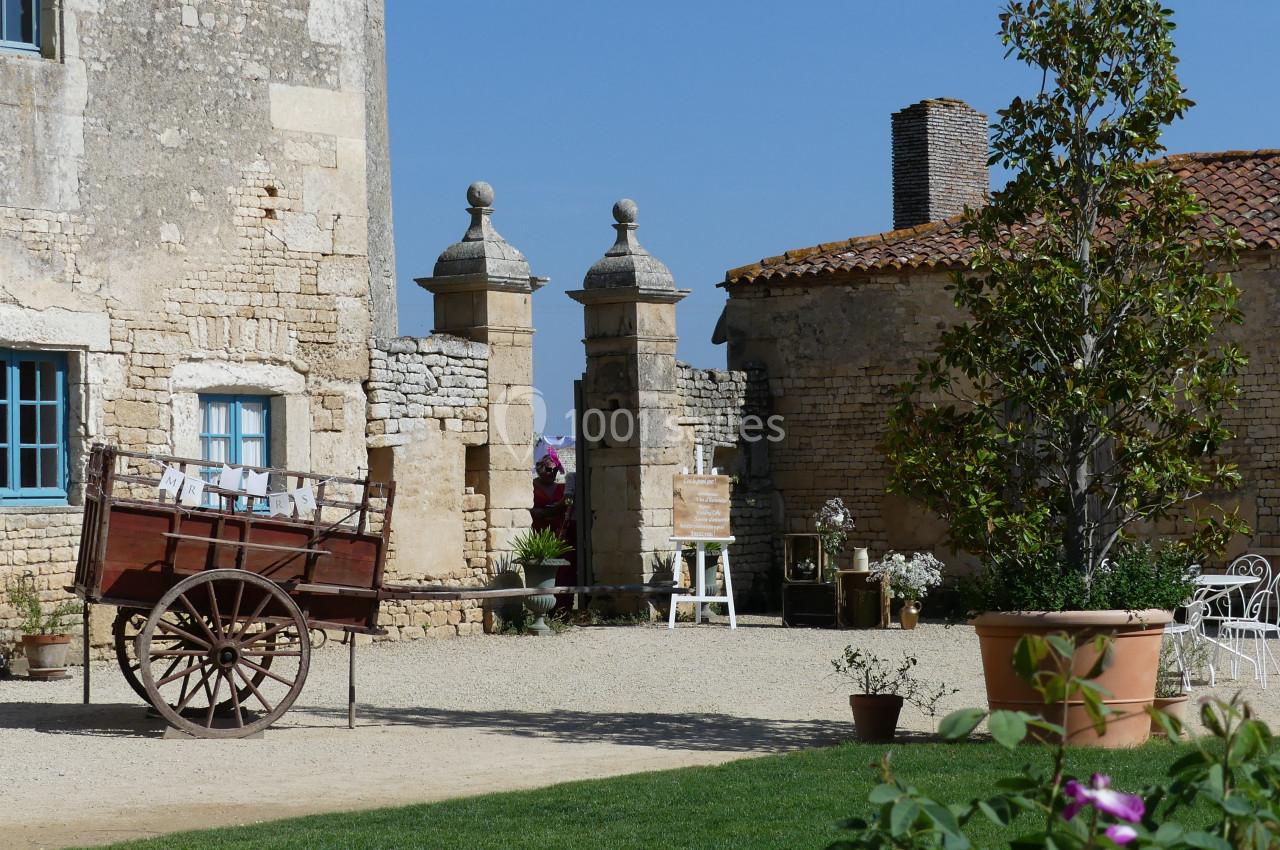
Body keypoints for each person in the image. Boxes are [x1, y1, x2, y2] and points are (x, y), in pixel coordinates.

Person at [529, 447, 577, 610]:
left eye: (555, 470)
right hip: (540, 535)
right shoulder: (531, 487)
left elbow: (568, 507)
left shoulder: (562, 489)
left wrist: (560, 507)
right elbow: (526, 508)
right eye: (549, 469)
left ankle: (564, 608)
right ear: (540, 469)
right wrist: (541, 512)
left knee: (565, 572)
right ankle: (542, 608)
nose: (552, 473)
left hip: (560, 535)